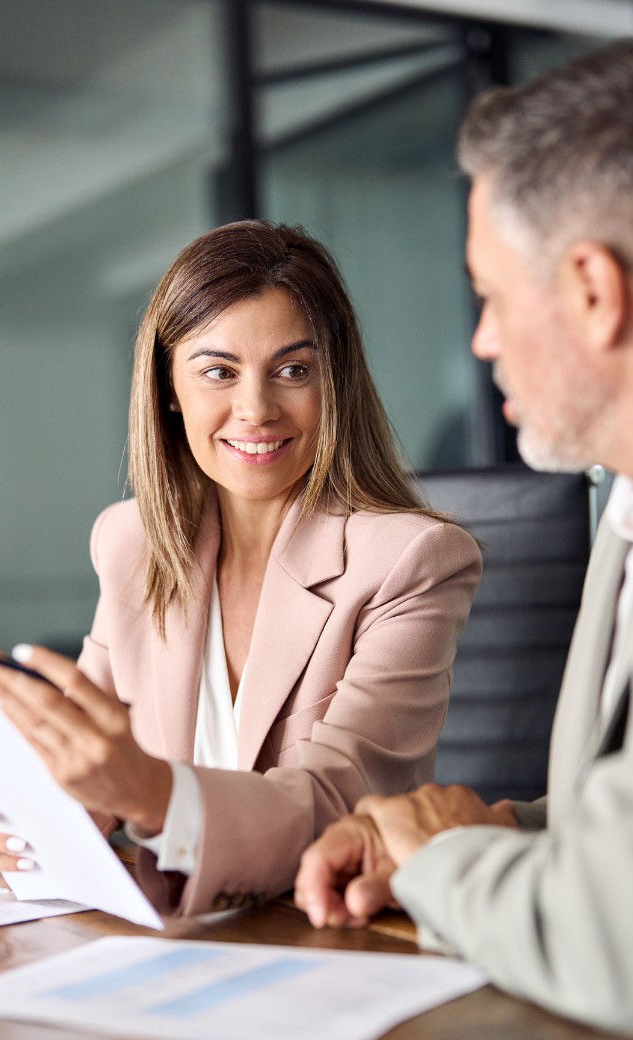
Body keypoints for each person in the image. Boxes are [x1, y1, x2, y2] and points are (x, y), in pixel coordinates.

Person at [0, 221, 481, 918]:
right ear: (170, 388)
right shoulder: (130, 541)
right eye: (218, 371)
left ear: (333, 382)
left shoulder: (410, 560)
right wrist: (26, 822)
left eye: (293, 370)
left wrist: (148, 796)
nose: (255, 409)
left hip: (323, 932)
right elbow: (93, 772)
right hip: (166, 934)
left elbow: (337, 801)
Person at [294, 40, 633, 1035]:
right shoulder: (620, 508)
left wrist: (444, 856)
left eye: (489, 293)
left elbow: (612, 933)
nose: (479, 340)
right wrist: (465, 832)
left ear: (590, 291)